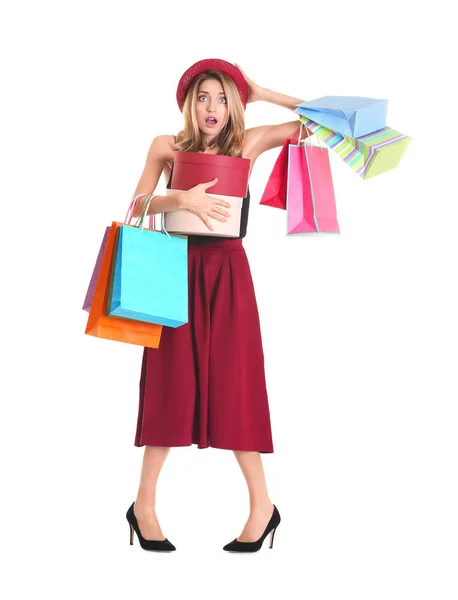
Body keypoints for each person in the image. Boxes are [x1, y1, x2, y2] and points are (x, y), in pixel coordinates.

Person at [125, 58, 309, 553]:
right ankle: (143, 506)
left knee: (236, 382)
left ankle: (262, 507)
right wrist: (182, 199)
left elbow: (324, 122)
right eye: (204, 97)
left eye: (224, 98)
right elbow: (135, 207)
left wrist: (262, 90)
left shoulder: (248, 144)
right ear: (190, 102)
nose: (213, 107)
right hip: (174, 271)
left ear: (235, 104)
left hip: (228, 272)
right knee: (170, 383)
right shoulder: (167, 147)